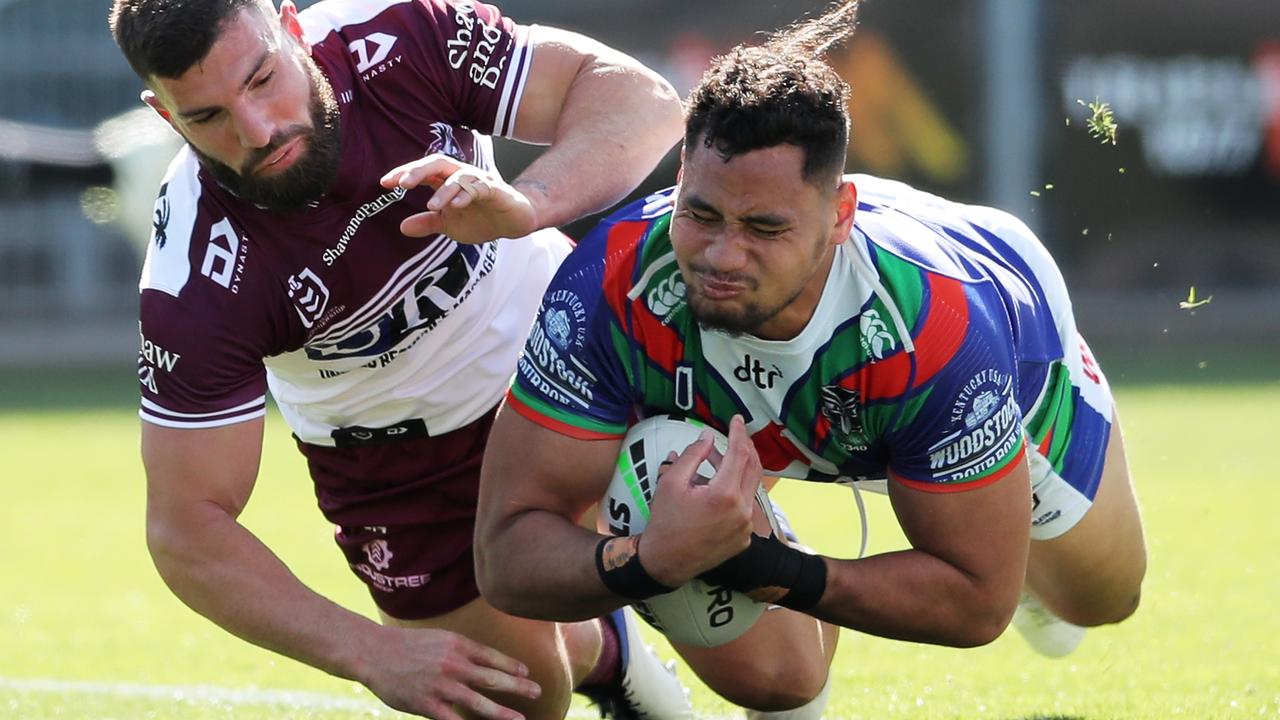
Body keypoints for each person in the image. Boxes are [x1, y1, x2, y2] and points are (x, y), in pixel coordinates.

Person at [475, 0, 1148, 710]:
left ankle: (1020, 546)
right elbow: (506, 556)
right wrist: (647, 561)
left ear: (839, 214)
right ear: (680, 175)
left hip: (1007, 364)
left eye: (764, 227)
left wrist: (777, 569)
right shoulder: (608, 281)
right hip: (771, 415)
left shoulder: (940, 329)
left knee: (1100, 599)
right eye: (700, 214)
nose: (722, 255)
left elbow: (975, 605)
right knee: (659, 485)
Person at [111, 0, 692, 718]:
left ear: (292, 29)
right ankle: (611, 656)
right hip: (400, 465)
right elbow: (184, 530)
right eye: (207, 117)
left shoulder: (396, 33)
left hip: (559, 348)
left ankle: (604, 611)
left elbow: (644, 102)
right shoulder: (192, 277)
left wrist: (532, 202)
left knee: (778, 673)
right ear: (165, 116)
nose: (256, 130)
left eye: (262, 80)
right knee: (508, 696)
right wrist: (368, 651)